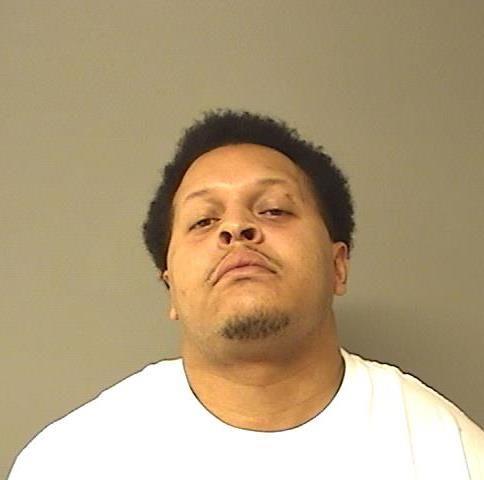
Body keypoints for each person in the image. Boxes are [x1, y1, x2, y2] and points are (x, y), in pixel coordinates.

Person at [9, 110, 484, 479]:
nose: (236, 227)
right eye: (203, 220)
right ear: (170, 286)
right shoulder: (70, 461)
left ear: (338, 266)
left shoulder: (450, 453)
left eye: (274, 210)